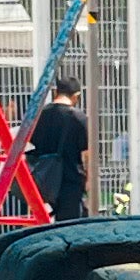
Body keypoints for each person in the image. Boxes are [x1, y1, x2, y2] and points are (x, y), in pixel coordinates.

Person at [25, 74, 90, 224]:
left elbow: (31, 141)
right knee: (71, 225)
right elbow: (87, 154)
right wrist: (89, 179)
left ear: (56, 92)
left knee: (41, 224)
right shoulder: (79, 118)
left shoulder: (40, 115)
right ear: (76, 96)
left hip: (44, 180)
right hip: (70, 181)